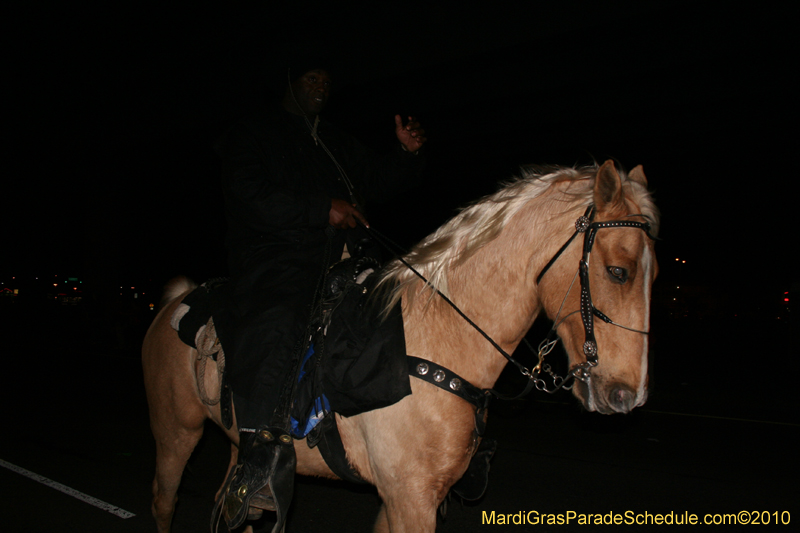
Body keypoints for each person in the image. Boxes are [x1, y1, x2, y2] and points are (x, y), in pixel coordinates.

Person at [213, 56, 427, 529]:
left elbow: (377, 179)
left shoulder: (332, 140)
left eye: (327, 82)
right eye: (312, 79)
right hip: (277, 256)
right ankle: (256, 464)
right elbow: (248, 194)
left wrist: (405, 155)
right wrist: (319, 209)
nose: (321, 88)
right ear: (289, 80)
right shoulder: (254, 133)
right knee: (281, 319)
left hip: (343, 258)